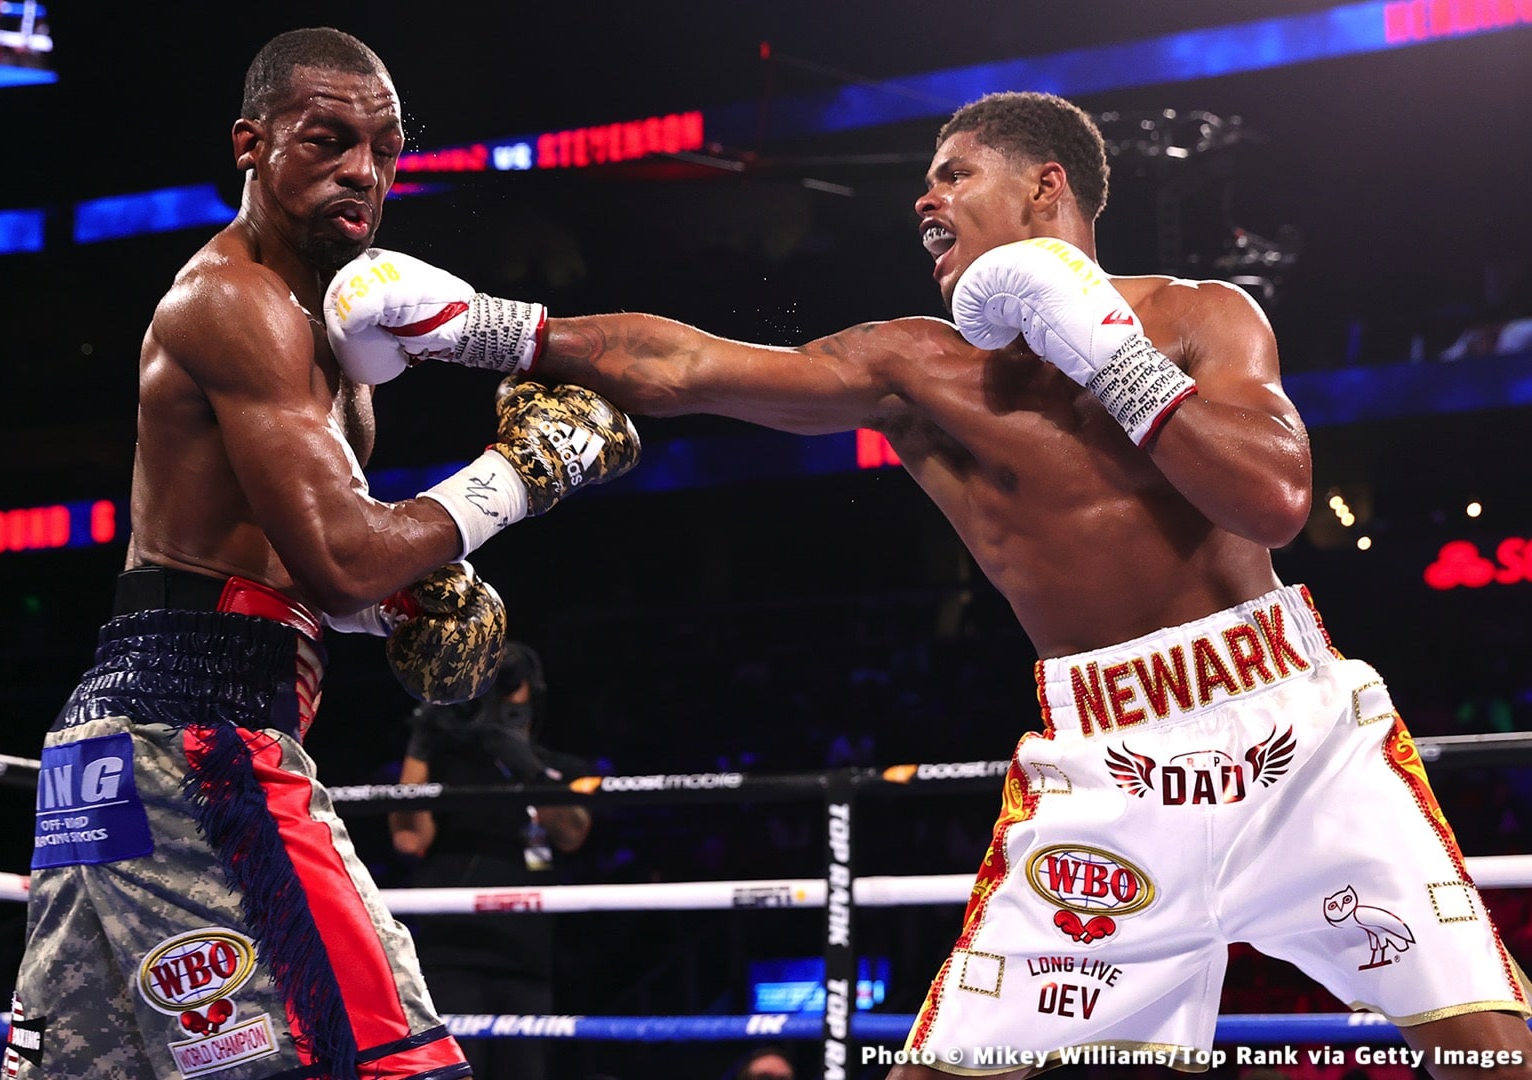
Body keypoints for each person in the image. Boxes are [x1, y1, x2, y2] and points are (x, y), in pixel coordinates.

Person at [323, 91, 1532, 1078]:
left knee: (1489, 1046)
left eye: (955, 173)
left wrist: (1099, 347)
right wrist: (481, 326)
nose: (925, 196)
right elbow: (682, 362)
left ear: (1044, 188)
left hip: (1293, 733)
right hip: (1108, 772)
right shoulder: (914, 364)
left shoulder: (1199, 317)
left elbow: (1269, 500)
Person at [3, 27, 638, 1080]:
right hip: (195, 737)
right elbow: (343, 558)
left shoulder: (333, 332)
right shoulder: (236, 301)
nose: (363, 171)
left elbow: (301, 571)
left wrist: (405, 601)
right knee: (395, 1066)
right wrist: (521, 474)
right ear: (250, 144)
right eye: (327, 140)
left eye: (383, 148)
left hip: (125, 747)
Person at [388, 641, 592, 1080]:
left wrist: (529, 770)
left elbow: (572, 833)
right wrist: (420, 745)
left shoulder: (563, 768)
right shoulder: (446, 764)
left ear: (532, 693)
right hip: (450, 952)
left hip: (527, 955)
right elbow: (408, 839)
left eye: (507, 685)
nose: (498, 698)